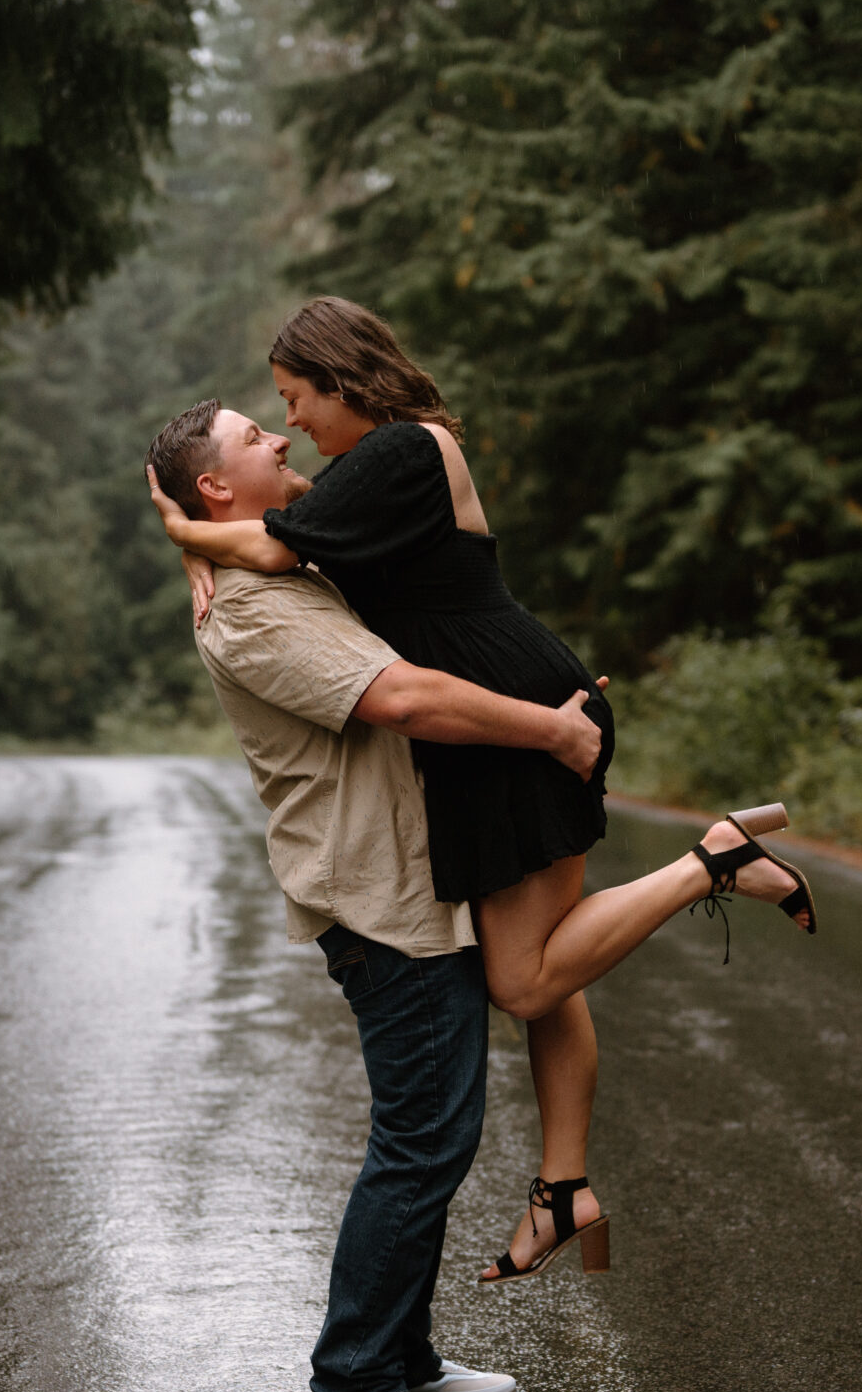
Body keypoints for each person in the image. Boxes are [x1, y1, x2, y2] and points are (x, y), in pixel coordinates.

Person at [146, 300, 814, 1285]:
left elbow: (275, 544)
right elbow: (266, 535)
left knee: (523, 977)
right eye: (274, 414)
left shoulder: (398, 452)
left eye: (295, 400)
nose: (294, 426)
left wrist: (181, 532)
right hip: (500, 720)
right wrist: (202, 545)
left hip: (517, 722)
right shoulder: (380, 467)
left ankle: (708, 858)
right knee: (546, 969)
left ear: (340, 379)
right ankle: (560, 1188)